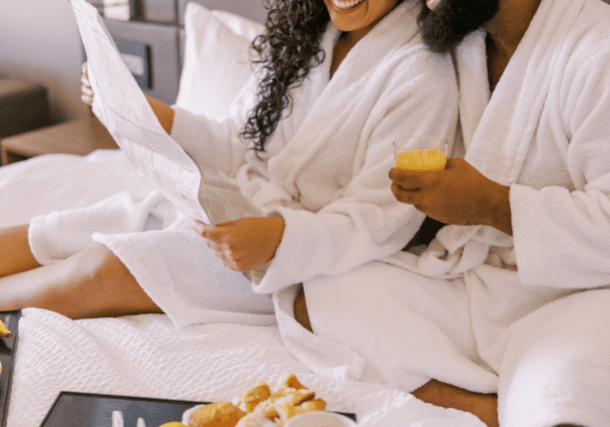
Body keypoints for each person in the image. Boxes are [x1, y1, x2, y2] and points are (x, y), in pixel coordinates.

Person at [0, 0, 457, 328]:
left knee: (102, 270)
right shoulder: (310, 33)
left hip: (299, 259)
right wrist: (144, 111)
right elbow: (241, 141)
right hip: (231, 207)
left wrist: (281, 240)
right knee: (54, 230)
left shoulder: (422, 73)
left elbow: (382, 217)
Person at [292, 0, 610, 426]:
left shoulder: (598, 51)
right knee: (323, 291)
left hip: (582, 298)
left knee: (561, 394)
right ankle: (483, 408)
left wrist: (492, 205)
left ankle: (521, 397)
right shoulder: (466, 40)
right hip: (486, 281)